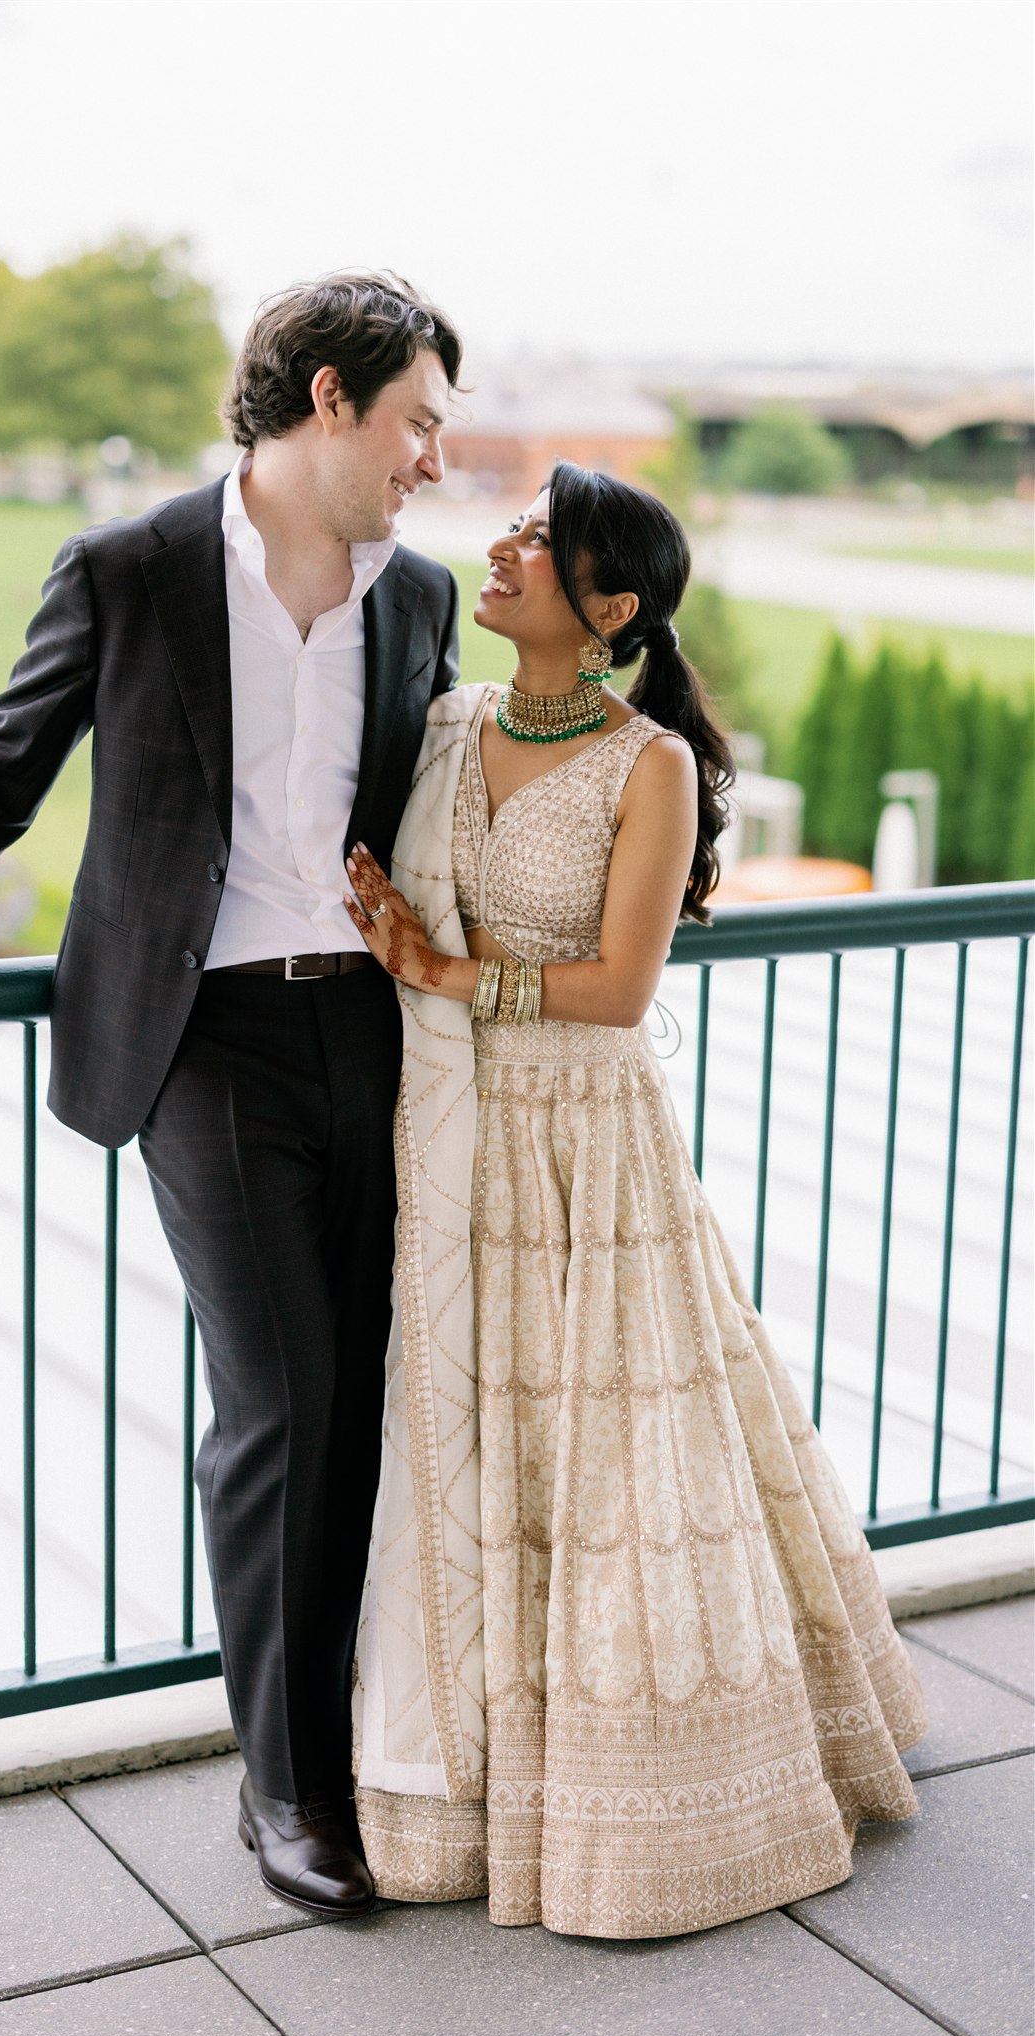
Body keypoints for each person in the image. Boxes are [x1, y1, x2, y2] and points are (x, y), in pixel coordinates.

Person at [0, 272, 464, 1921]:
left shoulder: (415, 599)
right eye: (415, 418)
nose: (431, 456)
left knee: (356, 1399)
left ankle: (329, 1733)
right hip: (198, 1042)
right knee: (278, 1400)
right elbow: (3, 763)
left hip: (373, 1040)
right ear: (327, 403)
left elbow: (436, 807)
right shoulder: (130, 568)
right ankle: (287, 1793)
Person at [341, 461, 926, 1939]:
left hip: (584, 1146)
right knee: (478, 1442)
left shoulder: (646, 764)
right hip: (451, 1134)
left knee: (611, 1459)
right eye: (517, 526)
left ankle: (644, 1796)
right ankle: (461, 1768)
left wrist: (445, 971)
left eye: (543, 543)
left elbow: (616, 991)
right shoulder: (449, 722)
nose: (505, 548)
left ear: (607, 608)